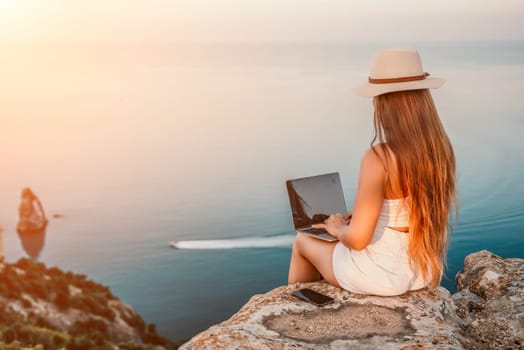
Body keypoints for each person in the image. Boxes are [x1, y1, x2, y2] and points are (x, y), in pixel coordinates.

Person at [288, 48, 456, 296]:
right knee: (338, 239)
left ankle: (296, 308)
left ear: (383, 102)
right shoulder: (440, 149)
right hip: (422, 271)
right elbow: (407, 210)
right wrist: (366, 215)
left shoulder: (379, 157)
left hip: (381, 276)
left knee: (303, 242)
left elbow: (357, 240)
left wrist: (336, 228)